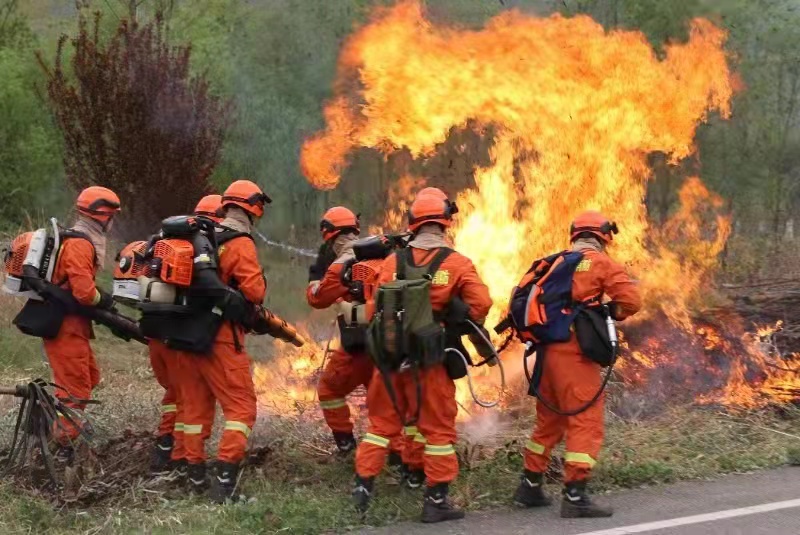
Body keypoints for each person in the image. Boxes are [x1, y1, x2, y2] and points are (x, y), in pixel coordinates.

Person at [353, 188, 492, 523]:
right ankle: (436, 502)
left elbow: (374, 307)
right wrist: (455, 312)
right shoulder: (457, 263)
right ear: (444, 225)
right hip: (431, 362)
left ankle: (362, 489)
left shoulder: (392, 261)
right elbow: (481, 305)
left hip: (389, 361)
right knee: (438, 430)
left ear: (413, 225)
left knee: (381, 426)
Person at [513, 211, 641, 518]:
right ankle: (575, 495)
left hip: (544, 353)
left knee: (550, 422)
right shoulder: (600, 262)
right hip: (574, 355)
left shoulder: (550, 262)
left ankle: (529, 486)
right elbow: (632, 300)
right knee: (585, 420)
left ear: (574, 235)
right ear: (604, 237)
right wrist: (613, 311)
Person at [179, 180, 269, 503]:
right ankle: (225, 483)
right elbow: (255, 292)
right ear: (253, 208)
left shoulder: (198, 238)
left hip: (188, 335)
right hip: (221, 338)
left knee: (195, 409)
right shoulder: (240, 242)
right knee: (241, 409)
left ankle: (195, 476)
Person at [148, 194, 224, 475]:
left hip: (160, 331)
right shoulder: (205, 244)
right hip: (185, 333)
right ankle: (183, 460)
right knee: (191, 399)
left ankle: (165, 450)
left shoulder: (164, 241)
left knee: (175, 394)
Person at [45, 186, 120, 450]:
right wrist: (105, 300)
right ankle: (61, 447)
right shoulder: (79, 243)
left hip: (73, 326)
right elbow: (85, 293)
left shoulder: (79, 239)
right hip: (66, 327)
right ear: (103, 215)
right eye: (113, 216)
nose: (113, 222)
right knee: (75, 392)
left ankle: (52, 422)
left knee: (90, 377)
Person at [306, 206, 375, 453]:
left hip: (357, 347)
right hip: (389, 345)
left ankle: (346, 445)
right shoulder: (381, 256)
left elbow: (317, 299)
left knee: (329, 390)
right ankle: (401, 458)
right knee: (386, 404)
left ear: (330, 236)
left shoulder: (340, 264)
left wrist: (316, 275)